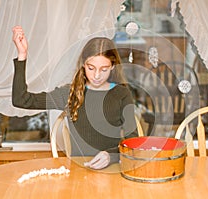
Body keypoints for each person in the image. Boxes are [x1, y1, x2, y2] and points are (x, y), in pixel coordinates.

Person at [12, 26, 137, 169]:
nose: (97, 75)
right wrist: (22, 56)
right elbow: (21, 100)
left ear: (113, 66)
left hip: (113, 170)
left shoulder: (122, 94)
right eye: (91, 68)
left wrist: (112, 156)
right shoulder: (69, 93)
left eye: (104, 69)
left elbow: (133, 142)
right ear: (83, 64)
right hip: (79, 169)